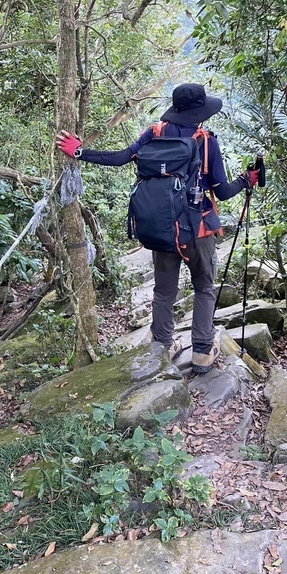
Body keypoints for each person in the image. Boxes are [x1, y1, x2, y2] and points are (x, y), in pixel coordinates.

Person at [57, 82, 259, 374]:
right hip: (197, 232)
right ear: (200, 112)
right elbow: (223, 192)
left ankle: (164, 345)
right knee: (203, 288)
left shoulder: (154, 133)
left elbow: (120, 158)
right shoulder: (205, 141)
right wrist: (246, 180)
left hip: (162, 231)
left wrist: (79, 152)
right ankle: (202, 351)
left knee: (164, 292)